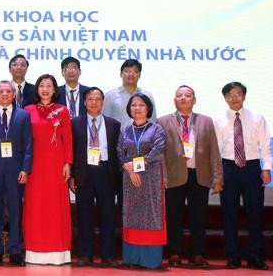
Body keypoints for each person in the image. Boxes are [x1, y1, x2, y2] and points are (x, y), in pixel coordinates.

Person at [158, 85, 222, 268]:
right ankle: (174, 253)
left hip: (199, 175)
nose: (183, 98)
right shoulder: (163, 121)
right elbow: (160, 153)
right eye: (179, 95)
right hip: (174, 176)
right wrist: (163, 177)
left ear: (194, 100)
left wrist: (217, 178)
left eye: (188, 95)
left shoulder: (206, 121)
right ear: (174, 100)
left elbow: (214, 151)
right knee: (174, 217)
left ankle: (198, 254)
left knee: (199, 217)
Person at [214, 82, 272, 270]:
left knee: (255, 213)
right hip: (228, 168)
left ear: (244, 96)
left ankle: (255, 256)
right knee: (229, 214)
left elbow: (266, 144)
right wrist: (217, 176)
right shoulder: (218, 120)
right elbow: (216, 150)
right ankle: (233, 256)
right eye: (230, 95)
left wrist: (267, 168)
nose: (234, 98)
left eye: (238, 94)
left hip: (252, 168)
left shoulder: (257, 117)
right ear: (225, 98)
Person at [0, 81, 32, 266]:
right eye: (1, 91)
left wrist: (25, 169)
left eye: (8, 91)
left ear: (13, 94)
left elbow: (28, 145)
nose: (4, 94)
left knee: (15, 212)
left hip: (15, 170)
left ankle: (15, 251)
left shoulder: (24, 115)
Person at [22, 74, 73, 265]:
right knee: (35, 206)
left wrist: (68, 163)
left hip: (56, 163)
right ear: (37, 89)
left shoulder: (62, 110)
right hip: (35, 164)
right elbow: (24, 141)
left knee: (56, 206)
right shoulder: (27, 110)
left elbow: (67, 139)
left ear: (54, 89)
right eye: (41, 85)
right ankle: (35, 250)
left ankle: (58, 251)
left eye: (49, 86)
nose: (45, 89)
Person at [69, 87, 121, 267]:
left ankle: (108, 255)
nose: (94, 102)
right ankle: (86, 254)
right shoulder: (75, 123)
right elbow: (71, 151)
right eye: (90, 99)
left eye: (97, 99)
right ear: (84, 102)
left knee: (108, 215)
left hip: (106, 172)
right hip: (84, 172)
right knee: (84, 215)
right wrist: (72, 176)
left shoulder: (113, 124)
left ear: (103, 102)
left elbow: (117, 153)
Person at [118, 93, 166, 269]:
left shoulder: (156, 129)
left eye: (141, 105)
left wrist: (135, 165)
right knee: (132, 215)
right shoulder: (125, 129)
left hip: (150, 178)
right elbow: (119, 151)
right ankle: (132, 258)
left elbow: (158, 150)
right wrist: (128, 168)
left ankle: (150, 260)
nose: (137, 108)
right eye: (133, 105)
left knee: (150, 215)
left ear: (148, 108)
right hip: (130, 178)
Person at [104, 59, 157, 127]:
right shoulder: (110, 95)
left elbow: (153, 121)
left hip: (143, 133)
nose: (131, 74)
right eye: (127, 71)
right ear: (121, 74)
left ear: (139, 75)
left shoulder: (147, 95)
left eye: (135, 71)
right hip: (117, 134)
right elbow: (104, 121)